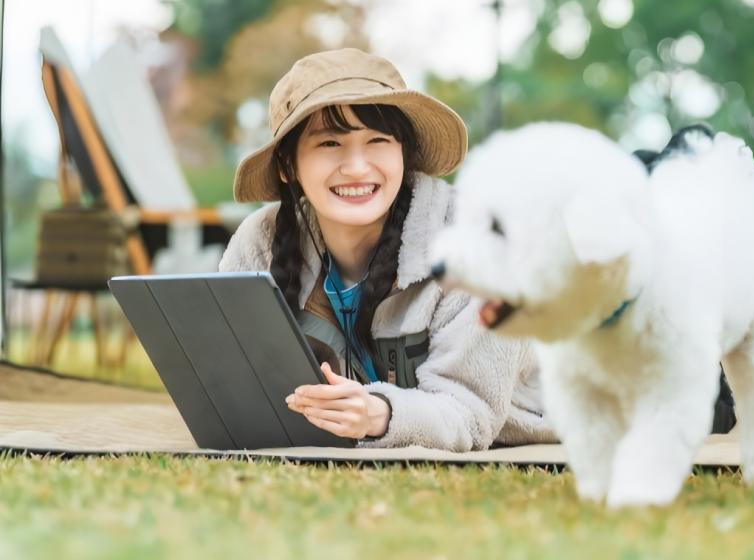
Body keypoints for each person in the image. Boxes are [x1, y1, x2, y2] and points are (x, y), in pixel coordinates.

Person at [218, 48, 555, 450]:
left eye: (377, 140)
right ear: (287, 166)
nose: (358, 167)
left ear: (403, 154)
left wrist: (378, 414)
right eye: (330, 143)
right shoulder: (260, 242)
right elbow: (230, 383)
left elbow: (470, 414)